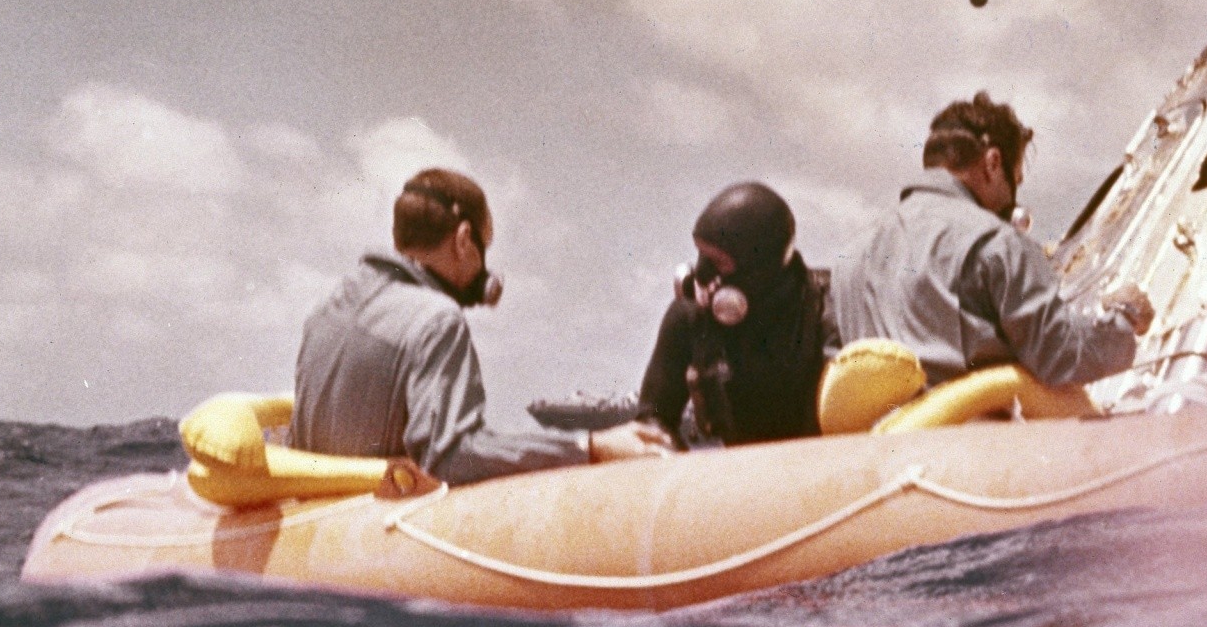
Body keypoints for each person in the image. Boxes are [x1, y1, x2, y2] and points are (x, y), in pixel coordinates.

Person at [293, 168, 666, 483]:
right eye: (483, 248)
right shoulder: (436, 319)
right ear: (463, 240)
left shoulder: (325, 310)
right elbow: (450, 455)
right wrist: (591, 446)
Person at [833, 92, 1153, 388]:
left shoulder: (849, 256)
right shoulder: (995, 243)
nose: (1011, 200)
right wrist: (1124, 318)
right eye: (1015, 182)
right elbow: (1060, 355)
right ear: (992, 163)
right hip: (971, 445)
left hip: (877, 446)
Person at [635, 183, 838, 447]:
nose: (700, 274)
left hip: (818, 467)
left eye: (717, 262)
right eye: (700, 255)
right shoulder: (690, 320)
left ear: (759, 274)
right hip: (737, 469)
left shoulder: (827, 310)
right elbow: (651, 425)